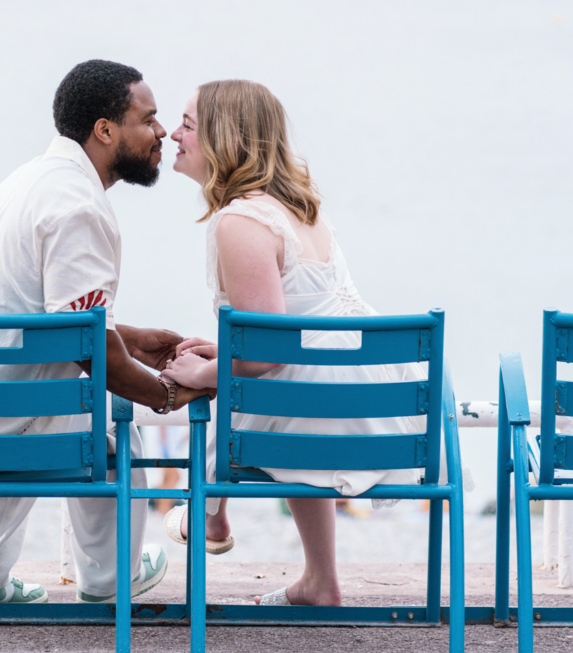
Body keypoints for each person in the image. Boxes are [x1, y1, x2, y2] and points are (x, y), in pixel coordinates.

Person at [0, 59, 211, 606]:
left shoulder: (34, 178)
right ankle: (112, 578)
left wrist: (130, 340)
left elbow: (52, 319)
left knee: (46, 395)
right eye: (149, 118)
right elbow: (87, 348)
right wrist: (165, 395)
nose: (161, 132)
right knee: (108, 427)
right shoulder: (78, 208)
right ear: (106, 130)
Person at [160, 79, 425, 607]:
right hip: (375, 402)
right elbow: (303, 324)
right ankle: (318, 581)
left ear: (224, 137)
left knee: (223, 392)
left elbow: (265, 355)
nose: (172, 134)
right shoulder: (301, 208)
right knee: (275, 388)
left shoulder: (239, 220)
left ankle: (209, 510)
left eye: (187, 125)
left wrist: (201, 374)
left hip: (320, 413)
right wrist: (225, 350)